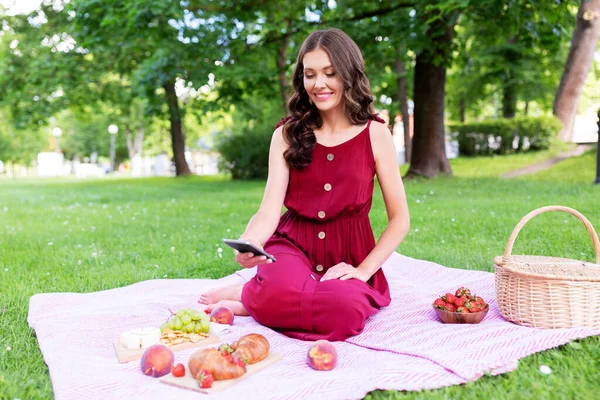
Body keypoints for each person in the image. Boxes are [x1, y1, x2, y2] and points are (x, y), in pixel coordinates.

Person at [200, 28, 410, 341]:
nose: (319, 84)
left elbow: (400, 220)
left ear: (349, 75)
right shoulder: (285, 135)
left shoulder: (376, 134)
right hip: (293, 245)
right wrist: (252, 241)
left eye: (330, 73)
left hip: (349, 254)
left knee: (347, 311)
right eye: (309, 74)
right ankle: (261, 292)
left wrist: (363, 271)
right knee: (283, 288)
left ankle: (254, 296)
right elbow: (269, 210)